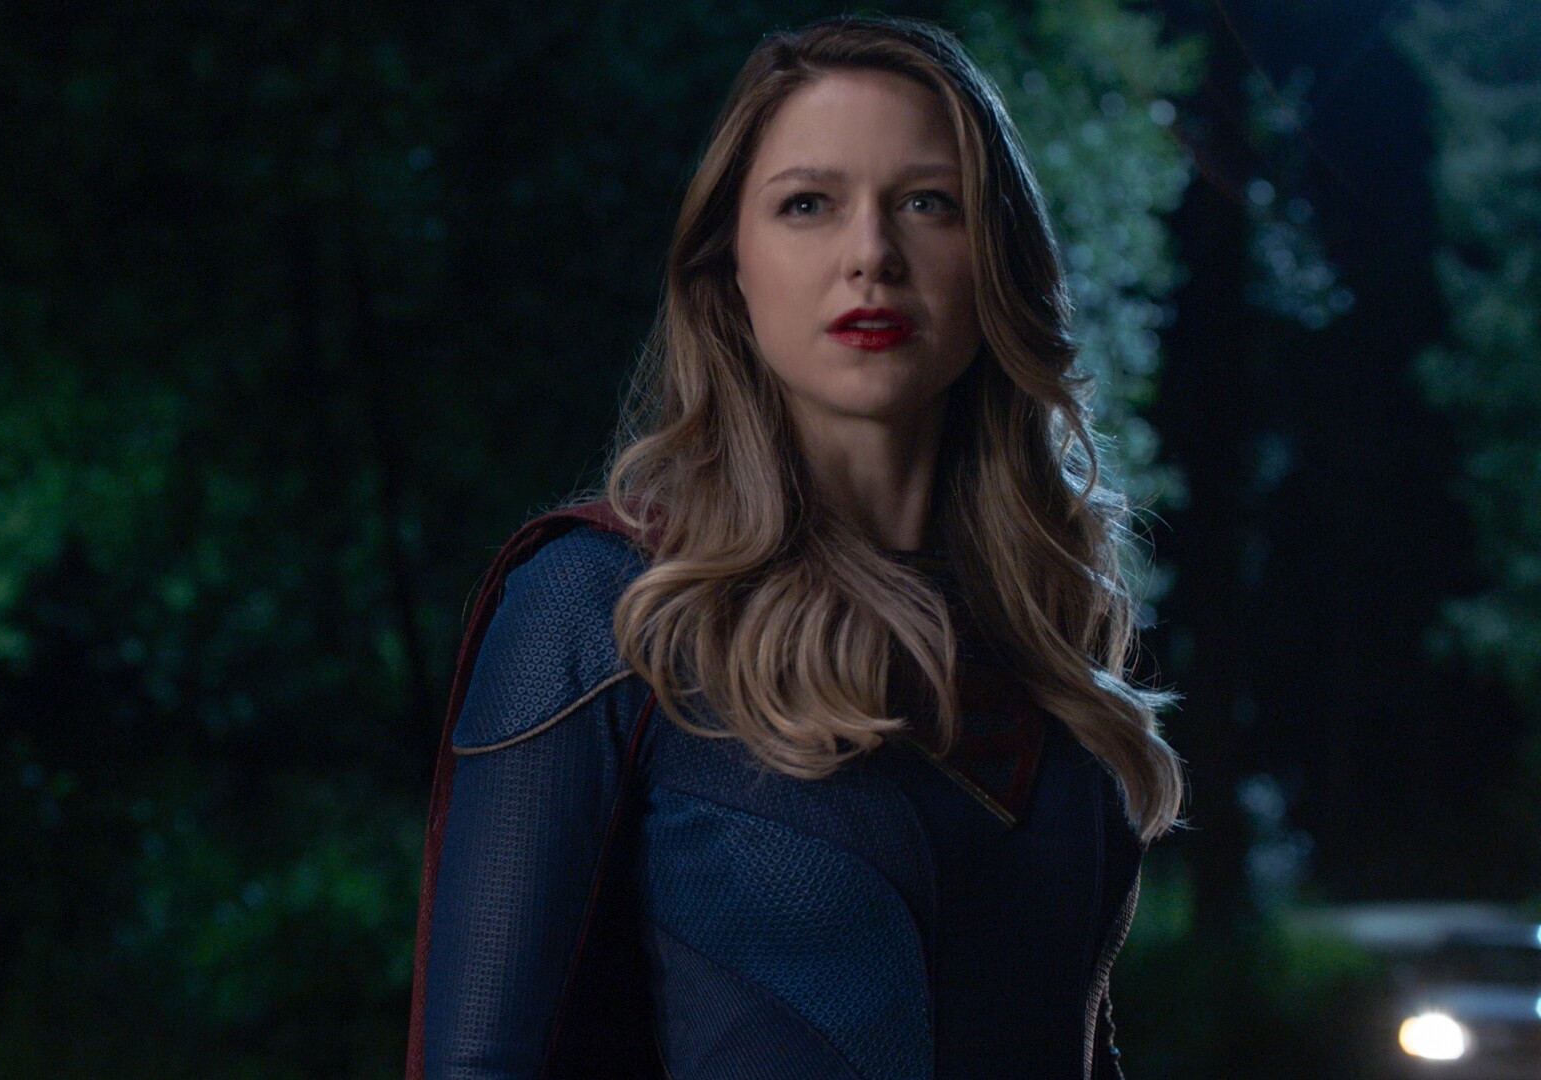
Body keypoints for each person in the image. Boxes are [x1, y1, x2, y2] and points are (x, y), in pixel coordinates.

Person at [406, 12, 1185, 1079]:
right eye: (808, 205)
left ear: (997, 259)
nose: (872, 256)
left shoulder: (1044, 637)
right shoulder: (604, 609)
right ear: (729, 266)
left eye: (928, 202)